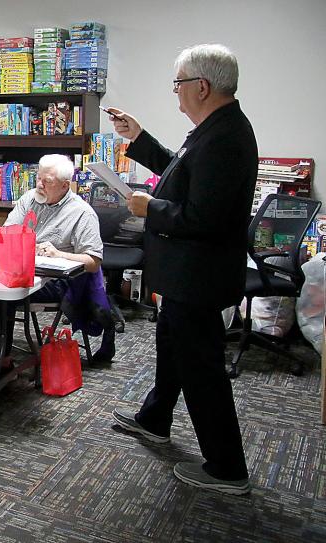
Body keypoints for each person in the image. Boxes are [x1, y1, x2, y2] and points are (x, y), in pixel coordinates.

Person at [108, 44, 254, 495]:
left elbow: (203, 217)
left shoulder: (226, 139)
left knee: (202, 369)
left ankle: (227, 466)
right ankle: (155, 419)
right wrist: (140, 137)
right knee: (171, 347)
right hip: (185, 275)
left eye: (178, 84)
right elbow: (183, 172)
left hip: (199, 276)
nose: (175, 93)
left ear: (202, 87)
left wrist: (152, 209)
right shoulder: (213, 129)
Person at [0, 154, 115, 364]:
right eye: (38, 178)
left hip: (58, 280)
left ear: (65, 185)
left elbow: (93, 262)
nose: (39, 185)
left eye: (47, 181)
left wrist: (59, 254)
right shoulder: (29, 198)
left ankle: (0, 360)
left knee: (2, 294)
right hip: (22, 268)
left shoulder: (82, 213)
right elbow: (7, 231)